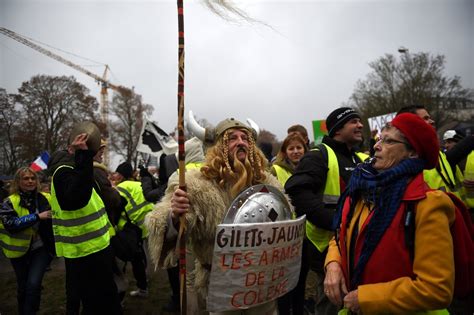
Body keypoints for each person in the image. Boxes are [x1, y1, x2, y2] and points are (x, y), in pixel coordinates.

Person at [145, 117, 283, 314]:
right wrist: (175, 215)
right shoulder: (197, 184)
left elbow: (283, 221)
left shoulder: (267, 182)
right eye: (232, 138)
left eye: (245, 138)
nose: (241, 142)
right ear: (218, 147)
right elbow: (163, 225)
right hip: (222, 285)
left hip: (262, 283)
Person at [324, 113, 455, 313]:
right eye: (379, 139)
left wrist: (366, 298)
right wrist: (333, 263)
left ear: (412, 153)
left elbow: (436, 289)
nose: (376, 146)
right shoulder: (362, 189)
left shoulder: (428, 204)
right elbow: (342, 232)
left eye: (389, 141)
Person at [285, 107, 365, 315]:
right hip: (326, 248)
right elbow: (296, 191)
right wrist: (335, 222)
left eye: (359, 121)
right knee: (333, 302)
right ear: (338, 129)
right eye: (353, 122)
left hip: (354, 245)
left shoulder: (358, 158)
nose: (360, 125)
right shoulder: (319, 155)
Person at [47, 123, 121, 315]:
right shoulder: (65, 170)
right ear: (75, 148)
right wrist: (84, 156)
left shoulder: (79, 168)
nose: (100, 153)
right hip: (85, 252)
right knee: (99, 304)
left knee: (100, 301)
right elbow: (74, 200)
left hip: (94, 248)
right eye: (97, 149)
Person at [0, 167, 55, 315]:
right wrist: (37, 217)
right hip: (18, 252)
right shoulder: (9, 202)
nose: (30, 181)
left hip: (41, 248)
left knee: (33, 284)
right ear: (18, 181)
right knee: (23, 286)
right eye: (26, 178)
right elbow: (10, 224)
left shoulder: (47, 197)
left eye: (32, 178)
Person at [114, 161, 154, 298]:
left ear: (121, 175)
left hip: (132, 229)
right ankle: (144, 285)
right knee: (141, 257)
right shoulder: (139, 184)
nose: (115, 175)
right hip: (147, 225)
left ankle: (121, 294)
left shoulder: (119, 189)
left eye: (117, 173)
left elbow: (117, 210)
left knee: (126, 259)